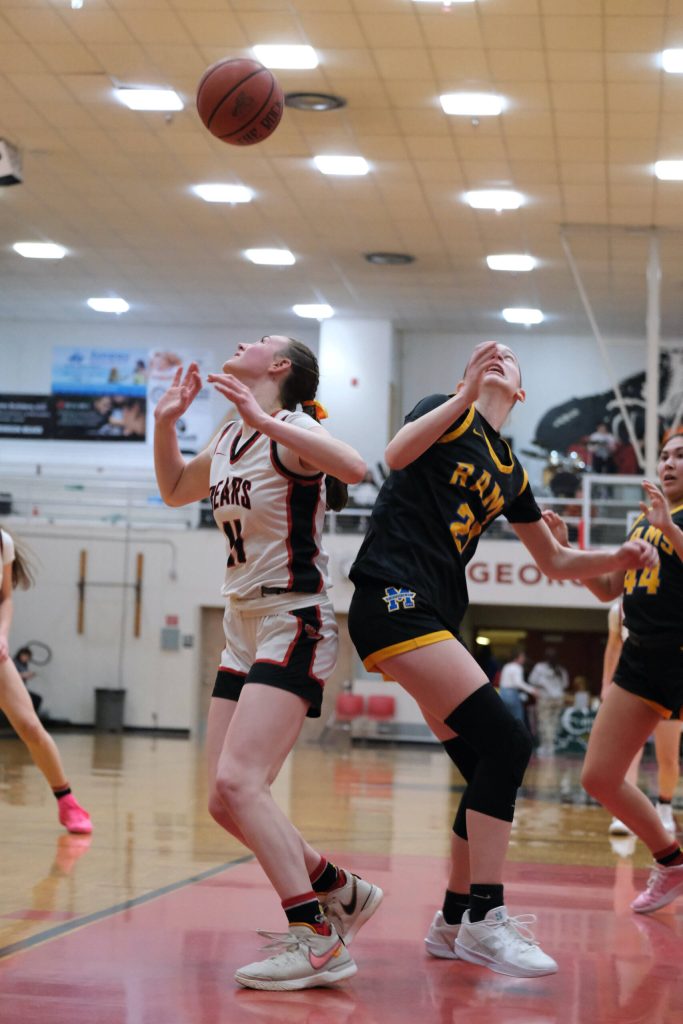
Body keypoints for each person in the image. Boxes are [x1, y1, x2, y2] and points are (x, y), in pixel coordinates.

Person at [347, 339, 657, 978]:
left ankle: (452, 920)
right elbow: (395, 454)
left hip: (433, 612)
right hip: (393, 595)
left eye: (511, 359)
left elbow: (555, 562)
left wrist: (617, 558)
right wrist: (460, 395)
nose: (497, 356)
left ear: (521, 393)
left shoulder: (511, 469)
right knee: (511, 741)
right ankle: (489, 918)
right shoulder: (446, 410)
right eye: (486, 353)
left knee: (489, 760)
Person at [153, 335, 383, 992]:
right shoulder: (229, 436)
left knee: (240, 783)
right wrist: (166, 424)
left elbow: (355, 467)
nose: (241, 342)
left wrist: (266, 421)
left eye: (258, 340)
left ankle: (315, 937)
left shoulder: (289, 427)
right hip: (239, 626)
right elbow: (172, 489)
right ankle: (340, 889)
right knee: (224, 801)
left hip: (293, 617)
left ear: (279, 367)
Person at [546, 431, 683, 914]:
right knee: (599, 775)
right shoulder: (644, 521)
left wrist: (669, 529)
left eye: (681, 456)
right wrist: (569, 550)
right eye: (665, 456)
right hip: (643, 658)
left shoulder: (667, 523)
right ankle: (671, 861)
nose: (669, 464)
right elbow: (608, 588)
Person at [0, 528, 92, 834]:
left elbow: (6, 600)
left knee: (29, 726)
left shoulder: (3, 542)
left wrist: (2, 634)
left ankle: (68, 803)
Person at [601, 599, 680, 838]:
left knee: (667, 757)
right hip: (634, 684)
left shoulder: (672, 594)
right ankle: (624, 815)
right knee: (628, 755)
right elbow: (614, 646)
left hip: (670, 684)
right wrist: (606, 684)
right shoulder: (619, 609)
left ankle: (664, 808)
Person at [528, 647, 570, 756]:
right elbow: (565, 684)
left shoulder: (539, 667)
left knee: (544, 722)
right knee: (554, 722)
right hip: (558, 698)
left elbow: (532, 680)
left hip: (545, 698)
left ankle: (546, 746)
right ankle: (550, 746)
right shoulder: (560, 669)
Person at [497, 650, 536, 727]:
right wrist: (532, 690)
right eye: (522, 657)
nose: (524, 659)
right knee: (518, 719)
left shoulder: (507, 666)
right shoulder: (517, 667)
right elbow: (518, 683)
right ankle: (518, 737)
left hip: (502, 693)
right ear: (517, 658)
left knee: (505, 717)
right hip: (512, 693)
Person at [12, 645, 42, 715]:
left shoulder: (24, 664)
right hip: (14, 690)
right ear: (20, 654)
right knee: (35, 699)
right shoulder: (14, 662)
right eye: (25, 656)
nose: (26, 658)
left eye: (28, 657)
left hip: (21, 689)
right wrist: (26, 674)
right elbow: (13, 676)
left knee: (36, 699)